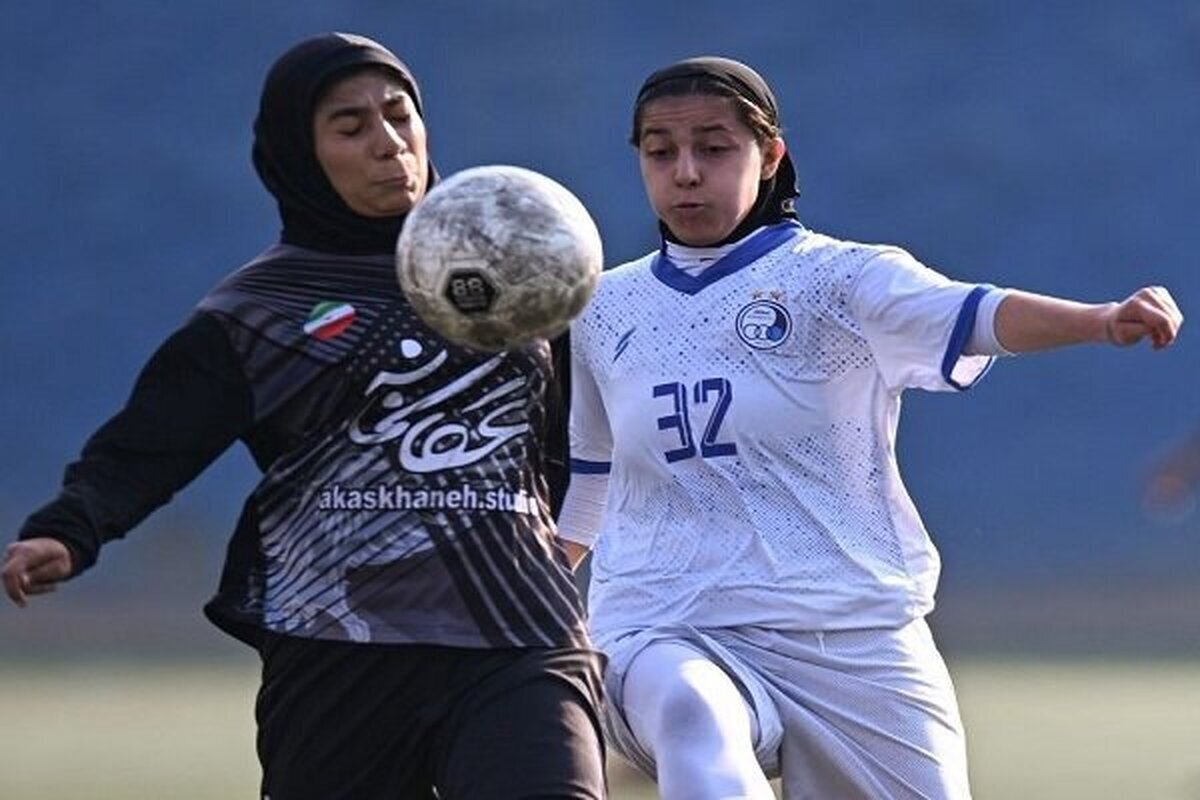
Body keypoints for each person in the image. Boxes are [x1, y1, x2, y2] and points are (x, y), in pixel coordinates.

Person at [556, 56, 1183, 800]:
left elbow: (975, 314)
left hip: (850, 635)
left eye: (714, 147)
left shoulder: (844, 280)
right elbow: (588, 476)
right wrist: (522, 598)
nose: (686, 171)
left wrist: (1101, 320)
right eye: (661, 151)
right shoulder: (598, 308)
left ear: (770, 155)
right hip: (667, 624)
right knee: (692, 711)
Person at [2, 32, 606, 800]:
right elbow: (148, 445)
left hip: (518, 629)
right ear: (299, 153)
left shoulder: (518, 271)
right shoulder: (258, 312)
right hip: (339, 644)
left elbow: (571, 438)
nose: (389, 144)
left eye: (400, 116)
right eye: (351, 128)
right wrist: (69, 528)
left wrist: (549, 542)